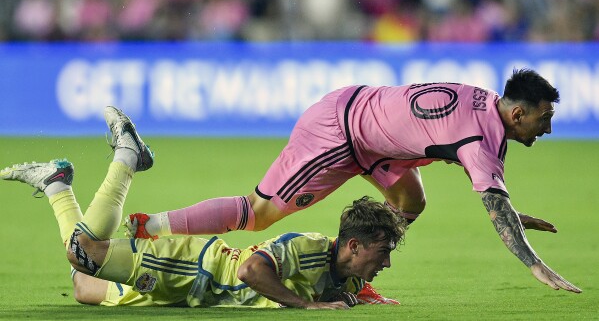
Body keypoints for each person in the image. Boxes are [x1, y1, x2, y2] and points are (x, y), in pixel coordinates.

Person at [127, 68, 581, 294]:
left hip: (375, 140)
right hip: (339, 132)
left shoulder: (489, 111)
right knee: (257, 213)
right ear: (517, 113)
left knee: (410, 200)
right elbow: (488, 193)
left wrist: (511, 213)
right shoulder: (480, 135)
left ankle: (348, 282)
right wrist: (535, 265)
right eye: (544, 119)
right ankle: (152, 226)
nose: (548, 128)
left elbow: (487, 187)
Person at [0, 106, 405, 309]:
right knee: (84, 255)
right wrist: (308, 306)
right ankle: (127, 157)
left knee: (83, 284)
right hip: (194, 268)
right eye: (382, 253)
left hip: (196, 290)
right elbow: (250, 270)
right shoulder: (309, 247)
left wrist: (367, 297)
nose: (386, 264)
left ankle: (56, 185)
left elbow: (348, 288)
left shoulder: (348, 274)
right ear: (353, 246)